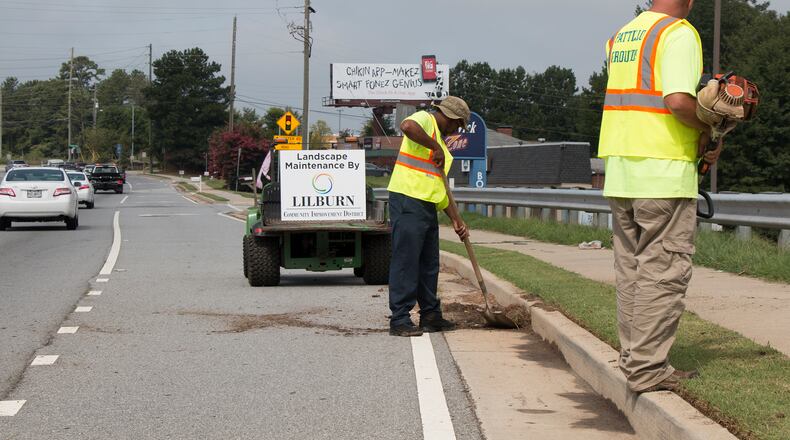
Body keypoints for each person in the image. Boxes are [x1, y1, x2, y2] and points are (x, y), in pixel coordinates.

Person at [598, 0, 722, 392]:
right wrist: (709, 126)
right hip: (663, 172)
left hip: (621, 172)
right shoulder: (678, 33)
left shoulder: (623, 36)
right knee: (664, 270)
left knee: (633, 272)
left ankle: (634, 360)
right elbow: (677, 101)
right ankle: (648, 369)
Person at [386, 96, 471, 337]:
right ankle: (400, 319)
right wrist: (433, 146)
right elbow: (406, 127)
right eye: (458, 124)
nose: (457, 130)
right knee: (407, 261)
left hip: (427, 206)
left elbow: (441, 190)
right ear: (451, 117)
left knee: (429, 262)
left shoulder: (443, 149)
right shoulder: (425, 120)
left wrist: (456, 219)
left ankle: (430, 315)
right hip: (407, 200)